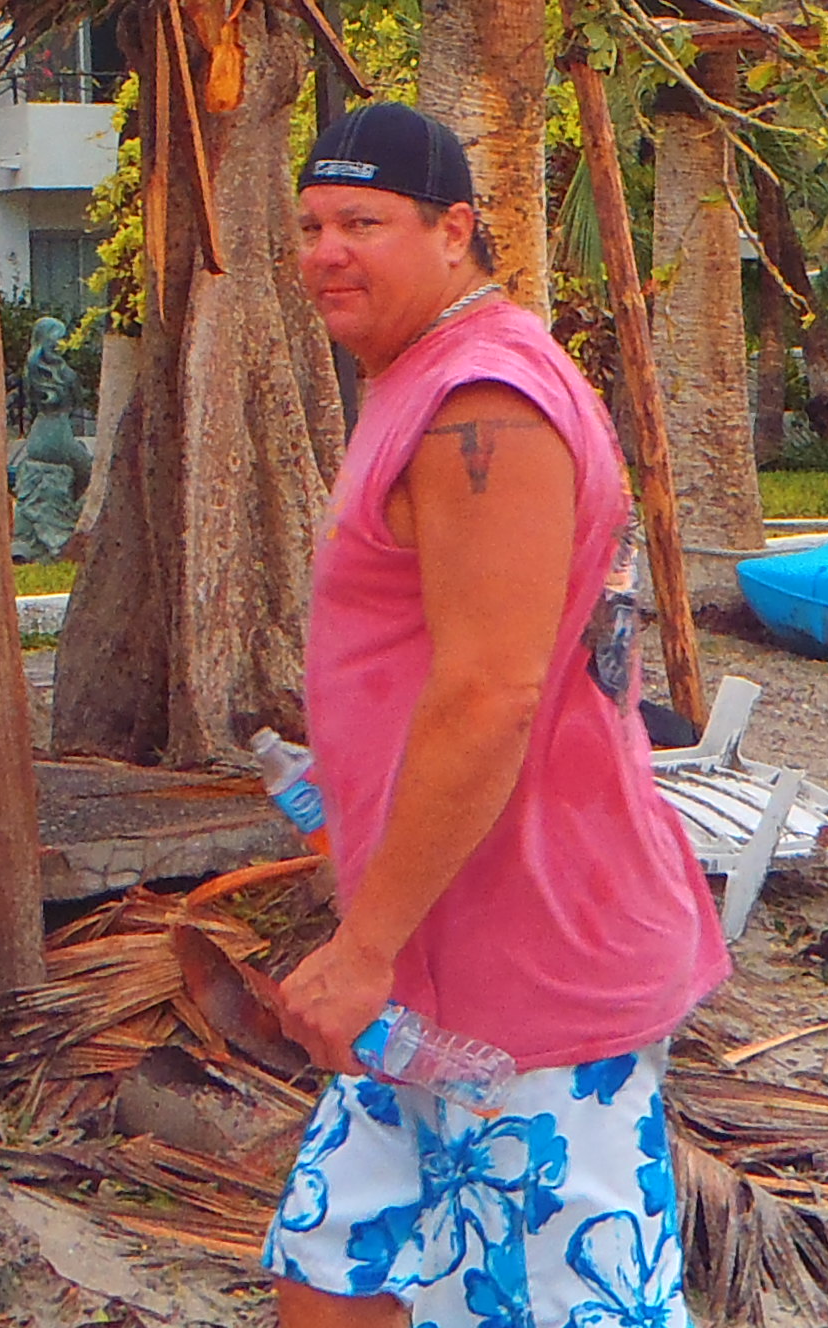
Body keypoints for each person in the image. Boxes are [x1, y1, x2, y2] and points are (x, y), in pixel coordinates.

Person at [261, 99, 724, 1328]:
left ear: (454, 230)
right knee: (331, 1277)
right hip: (428, 966)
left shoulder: (485, 404)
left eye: (363, 222)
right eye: (310, 225)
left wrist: (362, 949)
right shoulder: (418, 380)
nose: (326, 252)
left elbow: (490, 694)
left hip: (528, 962)